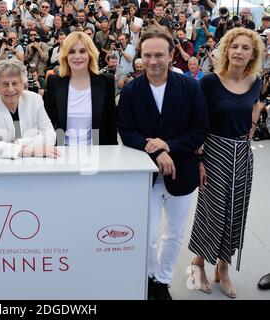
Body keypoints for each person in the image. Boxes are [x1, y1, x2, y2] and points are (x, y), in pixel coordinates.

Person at [117, 27, 209, 300]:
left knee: (173, 234)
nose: (153, 60)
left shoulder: (190, 87)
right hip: (146, 175)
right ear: (140, 57)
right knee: (147, 235)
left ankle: (162, 281)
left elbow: (200, 127)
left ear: (171, 55)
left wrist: (170, 146)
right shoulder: (132, 90)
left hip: (183, 173)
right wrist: (158, 152)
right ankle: (146, 277)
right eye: (147, 55)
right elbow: (127, 130)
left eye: (159, 54)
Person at [188, 27, 265, 299]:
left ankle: (223, 267)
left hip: (242, 154)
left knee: (236, 214)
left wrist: (252, 127)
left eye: (245, 48)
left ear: (253, 54)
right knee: (212, 211)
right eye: (235, 46)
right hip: (213, 152)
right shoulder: (209, 81)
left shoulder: (255, 80)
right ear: (226, 49)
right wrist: (199, 159)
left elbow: (256, 104)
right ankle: (198, 262)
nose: (239, 52)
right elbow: (197, 121)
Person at [45, 31, 118, 146]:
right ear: (65, 56)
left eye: (83, 51)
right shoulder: (54, 82)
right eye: (71, 52)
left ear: (90, 54)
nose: (77, 56)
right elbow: (48, 121)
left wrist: (112, 157)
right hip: (62, 153)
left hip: (96, 153)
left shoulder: (106, 82)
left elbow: (111, 123)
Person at [0, 59, 58, 159]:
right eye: (5, 84)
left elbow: (50, 136)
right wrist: (27, 151)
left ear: (23, 84)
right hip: (0, 167)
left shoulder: (35, 99)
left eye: (15, 83)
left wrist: (18, 142)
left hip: (33, 165)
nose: (10, 89)